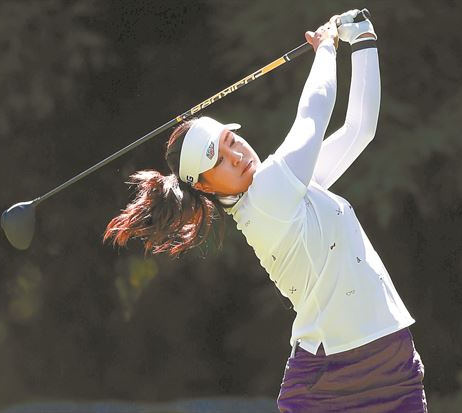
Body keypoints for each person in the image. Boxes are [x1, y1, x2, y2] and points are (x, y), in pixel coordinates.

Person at [104, 9, 427, 413]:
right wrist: (325, 48)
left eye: (231, 141)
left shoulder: (287, 188)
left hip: (390, 357)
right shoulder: (272, 193)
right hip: (332, 375)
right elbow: (315, 113)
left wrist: (363, 40)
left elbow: (360, 128)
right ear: (203, 185)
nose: (237, 155)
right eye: (219, 159)